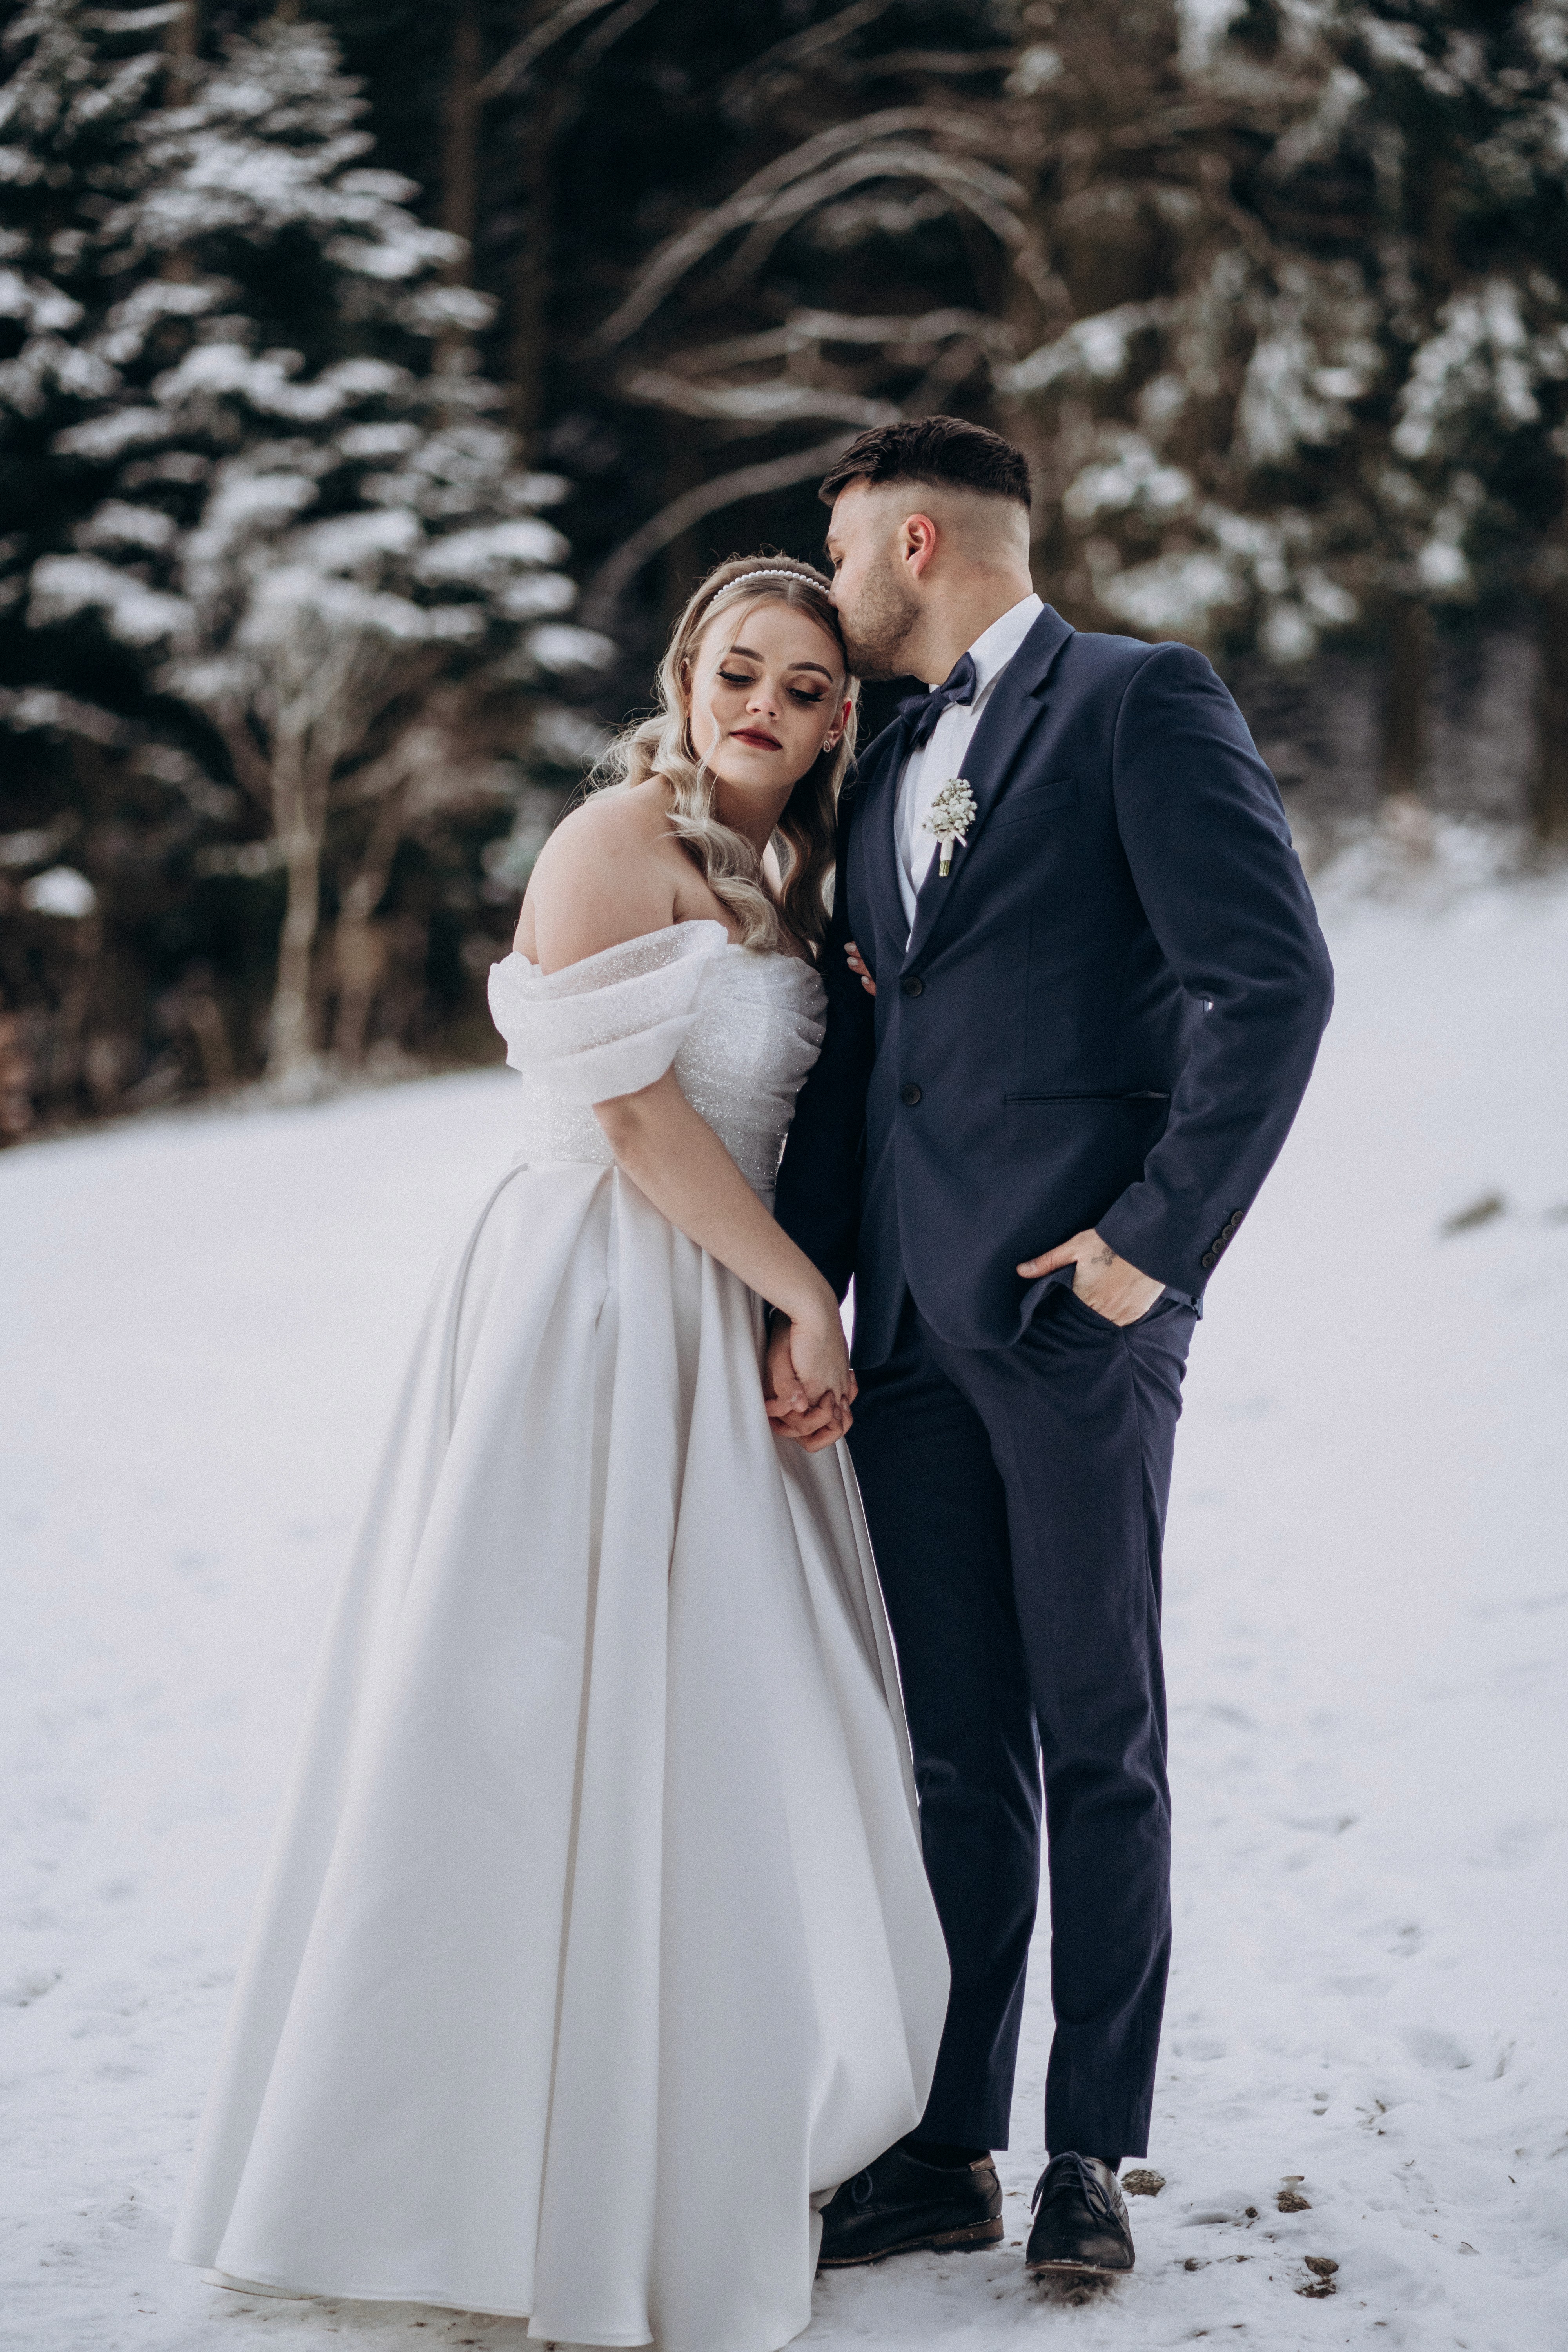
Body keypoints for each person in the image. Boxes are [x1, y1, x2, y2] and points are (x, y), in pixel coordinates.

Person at [169, 556, 950, 2352]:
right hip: (598, 1306)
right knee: (540, 1715)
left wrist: (787, 1304)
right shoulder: (614, 839)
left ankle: (685, 2118)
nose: (763, 706)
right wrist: (799, 1303)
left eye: (806, 688)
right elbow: (634, 1114)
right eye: (736, 672)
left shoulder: (790, 872)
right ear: (682, 678)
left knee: (725, 1723)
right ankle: (471, 2175)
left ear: (844, 719)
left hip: (720, 1305)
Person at [768, 417, 1334, 2280]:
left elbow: (1271, 982)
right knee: (952, 1751)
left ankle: (1088, 2146)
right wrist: (814, 1293)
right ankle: (943, 2142)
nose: (832, 585)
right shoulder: (876, 763)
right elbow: (871, 1054)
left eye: (840, 550)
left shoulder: (1135, 703)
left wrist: (1147, 1255)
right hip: (913, 1327)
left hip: (1074, 1317)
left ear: (914, 540)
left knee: (1099, 1736)